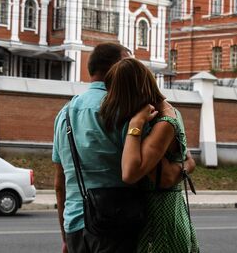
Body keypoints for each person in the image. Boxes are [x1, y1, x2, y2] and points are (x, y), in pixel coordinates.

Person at [52, 43, 194, 253]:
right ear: (117, 69)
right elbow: (159, 173)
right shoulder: (125, 110)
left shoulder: (63, 115)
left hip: (74, 225)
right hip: (115, 224)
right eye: (128, 61)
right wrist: (187, 165)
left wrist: (65, 237)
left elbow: (59, 183)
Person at [100, 58, 200, 253]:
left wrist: (134, 125)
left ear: (128, 92)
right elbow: (184, 161)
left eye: (115, 93)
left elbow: (130, 173)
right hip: (164, 213)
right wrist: (187, 166)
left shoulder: (163, 123)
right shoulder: (170, 111)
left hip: (160, 221)